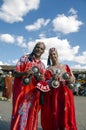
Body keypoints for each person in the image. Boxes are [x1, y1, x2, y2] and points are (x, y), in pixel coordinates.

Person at [10, 42, 50, 130]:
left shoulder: (42, 66)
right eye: (37, 47)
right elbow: (15, 73)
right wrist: (25, 73)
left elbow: (42, 83)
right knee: (19, 114)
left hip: (34, 96)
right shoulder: (25, 58)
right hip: (21, 94)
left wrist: (42, 79)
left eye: (41, 49)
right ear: (34, 48)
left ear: (43, 51)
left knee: (31, 116)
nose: (39, 50)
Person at [41, 48, 77, 130]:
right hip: (55, 94)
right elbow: (46, 83)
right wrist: (52, 80)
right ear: (49, 57)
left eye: (54, 54)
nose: (53, 56)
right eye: (51, 55)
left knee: (67, 112)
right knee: (56, 113)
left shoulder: (65, 66)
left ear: (57, 55)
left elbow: (73, 78)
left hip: (66, 93)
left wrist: (71, 79)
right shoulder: (48, 70)